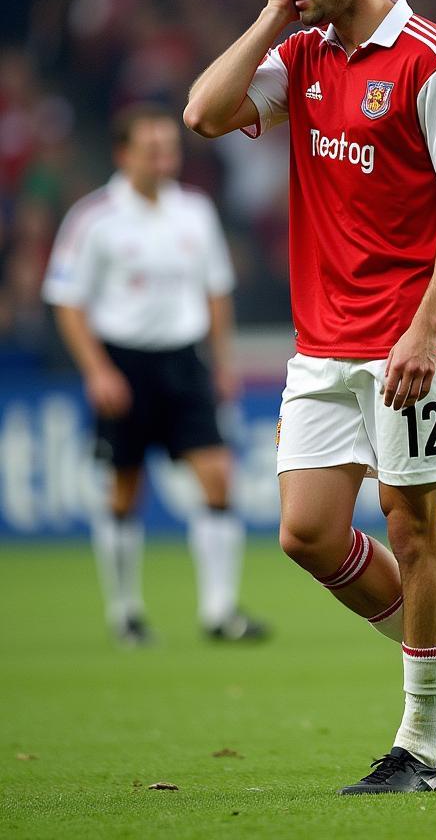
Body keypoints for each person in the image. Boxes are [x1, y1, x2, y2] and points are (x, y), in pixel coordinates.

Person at [182, 0, 436, 795]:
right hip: (323, 344)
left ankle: (419, 738)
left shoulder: (435, 63)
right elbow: (204, 114)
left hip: (413, 342)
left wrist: (428, 328)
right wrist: (264, 14)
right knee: (307, 535)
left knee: (414, 528)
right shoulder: (304, 58)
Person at [42, 103, 267, 645]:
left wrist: (222, 363)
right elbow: (67, 301)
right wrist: (98, 371)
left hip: (185, 361)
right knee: (124, 489)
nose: (165, 159)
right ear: (124, 155)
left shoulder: (194, 211)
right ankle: (126, 612)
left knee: (217, 478)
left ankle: (220, 611)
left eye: (170, 148)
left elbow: (216, 292)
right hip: (124, 362)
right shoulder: (93, 218)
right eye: (152, 150)